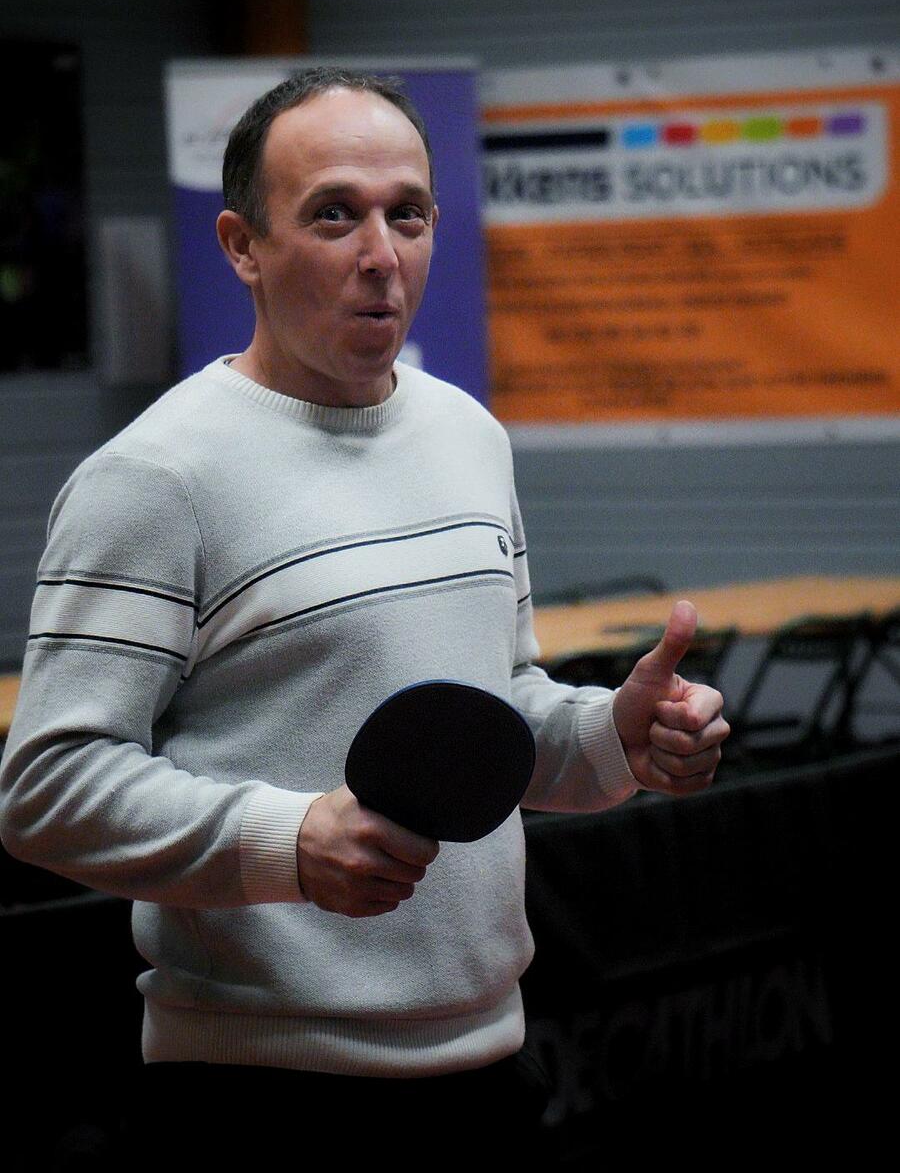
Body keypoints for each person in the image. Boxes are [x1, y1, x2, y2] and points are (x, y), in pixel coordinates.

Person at [0, 67, 728, 1166]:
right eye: (334, 214)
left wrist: (611, 738)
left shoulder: (467, 435)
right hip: (258, 1104)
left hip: (489, 1073)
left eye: (409, 214)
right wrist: (288, 843)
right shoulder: (154, 480)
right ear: (242, 246)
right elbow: (48, 791)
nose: (381, 254)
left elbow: (494, 716)